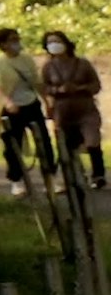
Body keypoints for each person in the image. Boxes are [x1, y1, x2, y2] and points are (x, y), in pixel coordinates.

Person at [0, 26, 49, 195]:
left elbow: (36, 81)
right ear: (3, 44)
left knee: (44, 141)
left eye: (17, 39)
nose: (17, 43)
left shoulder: (26, 59)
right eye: (12, 40)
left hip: (31, 103)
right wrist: (8, 102)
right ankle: (16, 181)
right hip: (12, 108)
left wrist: (47, 101)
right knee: (13, 145)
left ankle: (50, 176)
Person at [48, 31, 104, 190]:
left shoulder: (82, 64)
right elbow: (44, 87)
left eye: (57, 41)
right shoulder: (48, 68)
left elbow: (96, 85)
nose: (54, 45)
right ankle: (71, 177)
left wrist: (80, 88)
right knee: (67, 145)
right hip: (63, 111)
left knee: (92, 140)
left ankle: (98, 175)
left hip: (85, 109)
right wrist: (58, 89)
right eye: (50, 42)